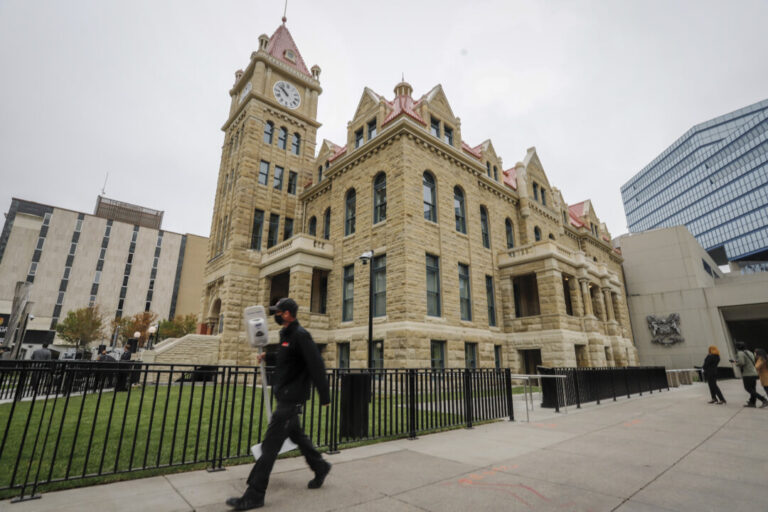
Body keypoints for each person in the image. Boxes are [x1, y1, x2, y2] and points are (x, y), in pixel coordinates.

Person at [226, 298, 331, 511]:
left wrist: (325, 396)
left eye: (278, 312)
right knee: (297, 436)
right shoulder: (287, 335)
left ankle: (254, 494)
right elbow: (288, 358)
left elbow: (316, 365)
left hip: (291, 399)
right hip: (284, 396)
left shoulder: (300, 335)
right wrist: (269, 356)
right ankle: (320, 466)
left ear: (287, 314)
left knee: (270, 446)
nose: (275, 315)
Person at [730, 342, 767, 408]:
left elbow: (742, 362)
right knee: (752, 389)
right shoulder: (750, 352)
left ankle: (763, 400)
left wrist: (736, 363)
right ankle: (752, 402)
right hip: (754, 373)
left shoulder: (740, 353)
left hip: (747, 374)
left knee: (748, 388)